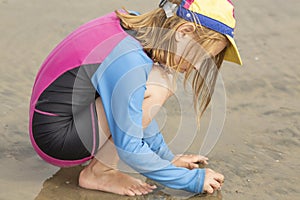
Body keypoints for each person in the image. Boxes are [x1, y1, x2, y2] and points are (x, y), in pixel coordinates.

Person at [29, 0, 242, 196]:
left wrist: (167, 159)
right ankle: (100, 172)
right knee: (161, 83)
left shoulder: (133, 28)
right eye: (201, 56)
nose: (196, 67)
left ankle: (102, 167)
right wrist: (190, 180)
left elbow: (131, 110)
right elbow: (128, 146)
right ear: (183, 31)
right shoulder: (129, 59)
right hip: (57, 139)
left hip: (58, 122)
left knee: (159, 78)